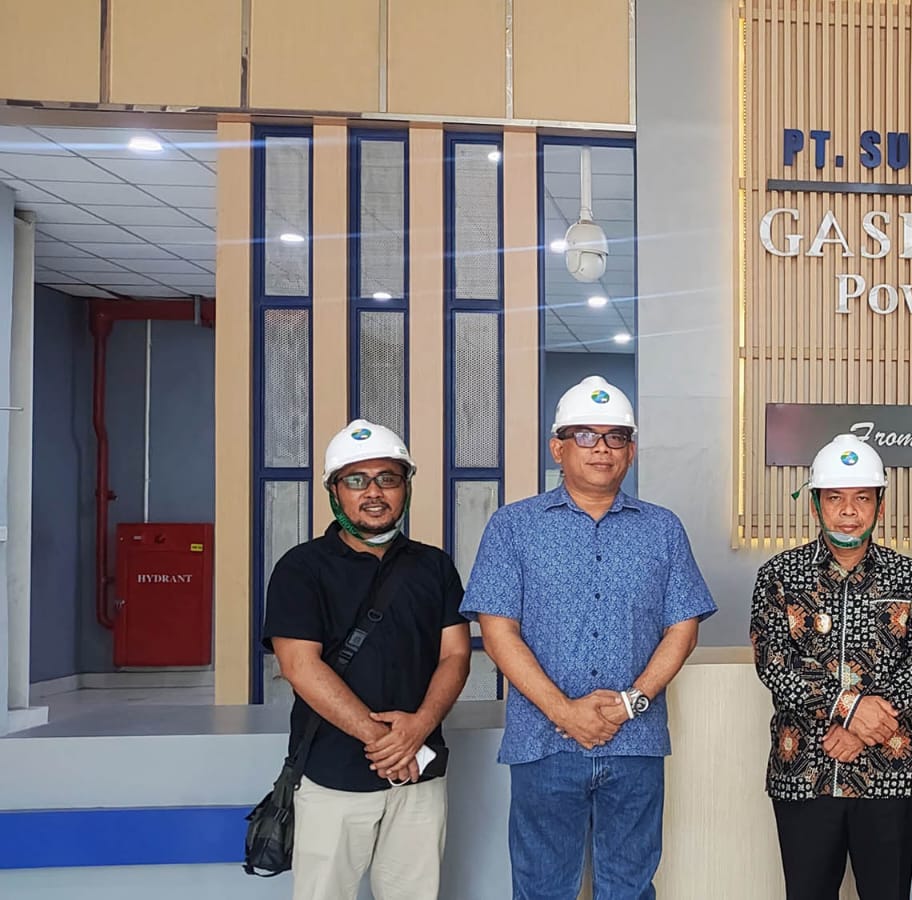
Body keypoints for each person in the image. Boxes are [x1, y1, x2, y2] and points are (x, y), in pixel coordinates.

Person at [463, 375, 716, 900]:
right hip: (543, 742)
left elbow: (683, 627)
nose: (602, 448)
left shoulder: (663, 529)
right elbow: (498, 630)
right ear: (557, 447)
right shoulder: (513, 527)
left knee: (629, 888)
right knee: (542, 889)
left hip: (635, 742)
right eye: (585, 435)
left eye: (615, 436)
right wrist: (565, 711)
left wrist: (630, 702)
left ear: (631, 451)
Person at [263, 419, 471, 900]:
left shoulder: (433, 565)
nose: (373, 492)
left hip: (418, 774)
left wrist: (418, 729)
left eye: (387, 478)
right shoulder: (301, 568)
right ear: (335, 491)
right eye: (356, 480)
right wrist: (385, 741)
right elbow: (299, 666)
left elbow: (456, 654)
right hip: (332, 774)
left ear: (406, 487)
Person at [749, 434, 912, 900]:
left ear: (880, 504)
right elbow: (772, 660)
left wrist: (865, 725)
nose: (848, 511)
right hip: (805, 771)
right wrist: (848, 707)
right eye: (835, 498)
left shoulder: (909, 577)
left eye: (862, 498)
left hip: (891, 771)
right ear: (815, 504)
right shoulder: (780, 576)